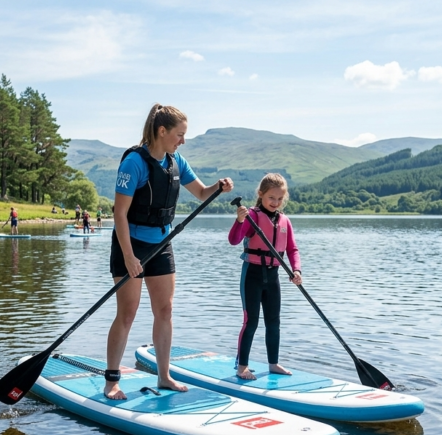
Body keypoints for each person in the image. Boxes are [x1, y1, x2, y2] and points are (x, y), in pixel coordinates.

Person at [103, 103, 234, 400]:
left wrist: (219, 186)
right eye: (180, 134)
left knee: (165, 310)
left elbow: (201, 192)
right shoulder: (134, 163)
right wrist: (128, 256)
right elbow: (120, 214)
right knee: (127, 313)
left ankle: (164, 376)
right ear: (162, 131)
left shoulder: (177, 162)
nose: (183, 140)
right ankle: (112, 380)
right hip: (131, 244)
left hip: (161, 244)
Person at [227, 173, 302, 379]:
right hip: (252, 274)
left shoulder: (285, 220)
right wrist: (239, 221)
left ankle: (273, 363)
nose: (275, 202)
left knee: (274, 322)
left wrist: (296, 270)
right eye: (271, 198)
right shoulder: (252, 216)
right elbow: (234, 240)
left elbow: (292, 249)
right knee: (250, 322)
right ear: (261, 194)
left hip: (273, 277)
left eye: (279, 199)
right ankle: (242, 366)